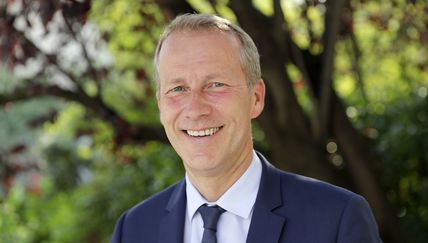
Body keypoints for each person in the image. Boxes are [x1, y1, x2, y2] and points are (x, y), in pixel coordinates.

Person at [110, 13, 382, 243]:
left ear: (256, 98)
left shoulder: (336, 220)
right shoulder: (133, 230)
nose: (195, 109)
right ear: (160, 105)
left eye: (216, 85)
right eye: (178, 88)